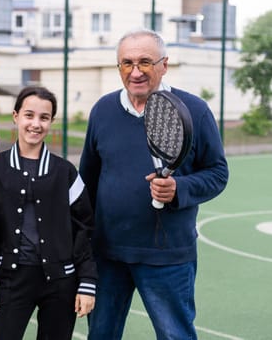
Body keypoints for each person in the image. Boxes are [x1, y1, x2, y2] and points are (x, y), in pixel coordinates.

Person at [79, 28, 229, 340]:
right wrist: (83, 246)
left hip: (168, 256)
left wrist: (179, 190)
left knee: (176, 336)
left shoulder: (195, 110)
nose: (135, 72)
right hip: (107, 255)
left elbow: (217, 173)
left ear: (164, 64)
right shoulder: (102, 111)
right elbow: (88, 182)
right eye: (126, 63)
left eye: (145, 62)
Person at [0, 86, 97, 340]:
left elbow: (84, 229)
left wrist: (87, 283)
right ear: (16, 116)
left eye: (44, 117)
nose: (35, 124)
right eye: (29, 115)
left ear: (51, 122)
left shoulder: (65, 172)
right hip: (12, 277)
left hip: (61, 281)